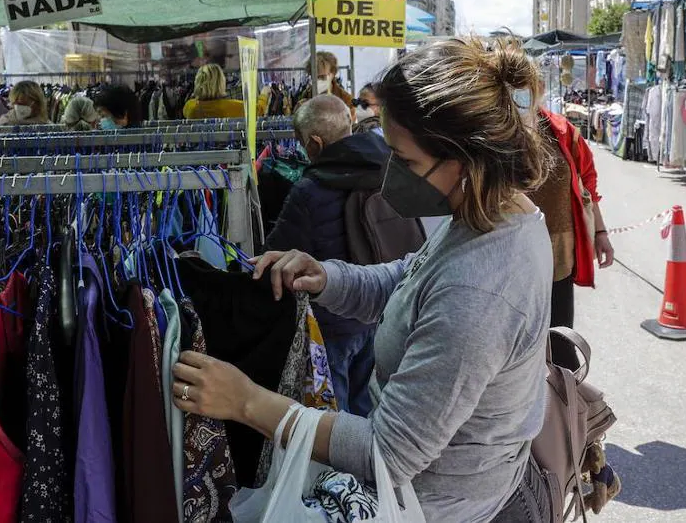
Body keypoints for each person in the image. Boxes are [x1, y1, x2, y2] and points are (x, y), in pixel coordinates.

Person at [171, 38, 556, 523]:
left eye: (408, 161)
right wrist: (327, 277)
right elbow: (411, 277)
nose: (391, 172)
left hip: (442, 510)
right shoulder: (489, 215)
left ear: (465, 159)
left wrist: (248, 403)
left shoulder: (480, 288)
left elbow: (388, 452)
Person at [264, 94, 418, 417]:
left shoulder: (308, 190)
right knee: (370, 409)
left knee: (334, 417)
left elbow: (277, 253)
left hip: (332, 324)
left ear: (316, 143)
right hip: (382, 313)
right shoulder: (388, 165)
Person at [526, 91, 615, 370]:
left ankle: (568, 410)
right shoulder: (490, 131)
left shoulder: (562, 132)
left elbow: (587, 186)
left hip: (558, 258)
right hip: (509, 258)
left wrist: (601, 234)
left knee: (561, 347)